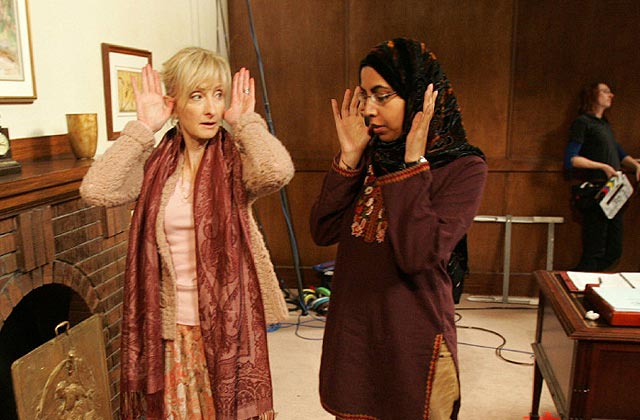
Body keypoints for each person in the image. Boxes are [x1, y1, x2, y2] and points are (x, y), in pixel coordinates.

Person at [80, 47, 294, 420]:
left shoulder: (236, 159)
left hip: (228, 321)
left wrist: (246, 123)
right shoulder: (154, 163)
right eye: (197, 96)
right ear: (174, 103)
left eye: (218, 95)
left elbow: (277, 171)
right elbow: (97, 189)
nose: (211, 109)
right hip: (171, 324)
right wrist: (142, 129)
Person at [309, 38, 487, 420]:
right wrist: (349, 159)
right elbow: (322, 229)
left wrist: (411, 165)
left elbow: (417, 254)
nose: (369, 109)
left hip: (413, 337)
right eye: (365, 96)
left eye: (383, 95)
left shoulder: (463, 167)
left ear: (420, 98)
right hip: (355, 331)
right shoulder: (369, 152)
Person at [564, 82, 640, 272]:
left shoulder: (604, 125)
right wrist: (603, 166)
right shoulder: (583, 122)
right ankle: (575, 283)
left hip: (615, 193)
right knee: (594, 251)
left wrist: (636, 166)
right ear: (592, 95)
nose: (611, 95)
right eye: (605, 91)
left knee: (613, 251)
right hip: (597, 194)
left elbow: (620, 153)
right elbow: (571, 159)